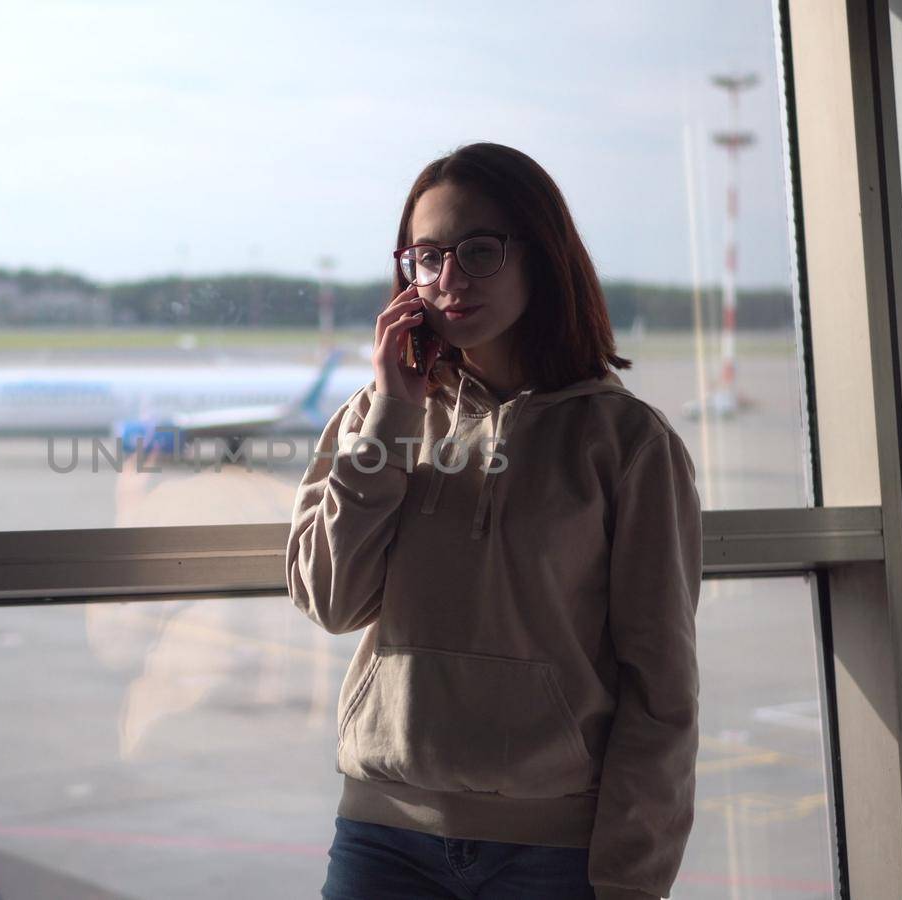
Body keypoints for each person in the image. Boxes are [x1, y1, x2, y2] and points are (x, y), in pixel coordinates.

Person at [285, 141, 702, 900]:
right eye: (427, 256)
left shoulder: (627, 444)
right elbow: (329, 597)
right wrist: (391, 415)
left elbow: (661, 688)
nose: (448, 281)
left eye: (478, 251)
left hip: (553, 852)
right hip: (383, 838)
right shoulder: (375, 416)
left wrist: (634, 879)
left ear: (540, 256)